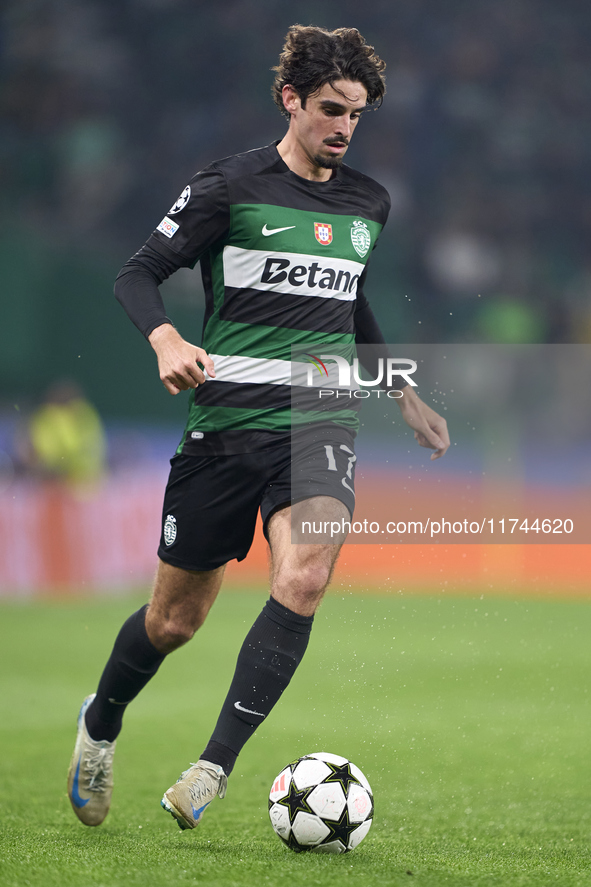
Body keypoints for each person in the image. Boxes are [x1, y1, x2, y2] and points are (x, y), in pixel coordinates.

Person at [67, 24, 449, 831]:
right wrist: (166, 336)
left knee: (305, 576)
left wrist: (402, 390)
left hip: (317, 419)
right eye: (329, 109)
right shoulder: (228, 187)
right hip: (223, 426)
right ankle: (100, 722)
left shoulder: (367, 203)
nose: (344, 126)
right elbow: (138, 272)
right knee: (174, 620)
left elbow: (346, 302)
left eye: (356, 113)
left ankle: (212, 767)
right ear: (290, 100)